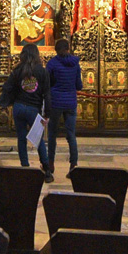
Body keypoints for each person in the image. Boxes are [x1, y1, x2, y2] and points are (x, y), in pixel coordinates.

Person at [0, 42, 50, 171]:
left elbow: (7, 87)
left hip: (19, 107)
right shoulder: (41, 71)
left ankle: (25, 167)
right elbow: (47, 94)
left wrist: (6, 103)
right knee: (38, 139)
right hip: (34, 109)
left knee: (21, 138)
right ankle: (46, 169)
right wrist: (47, 114)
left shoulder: (18, 70)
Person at [43, 35, 82, 179]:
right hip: (71, 102)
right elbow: (79, 85)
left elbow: (47, 83)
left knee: (52, 135)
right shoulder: (75, 64)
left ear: (56, 50)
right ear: (68, 49)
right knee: (71, 134)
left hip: (56, 102)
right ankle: (73, 165)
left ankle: (50, 163)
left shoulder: (52, 64)